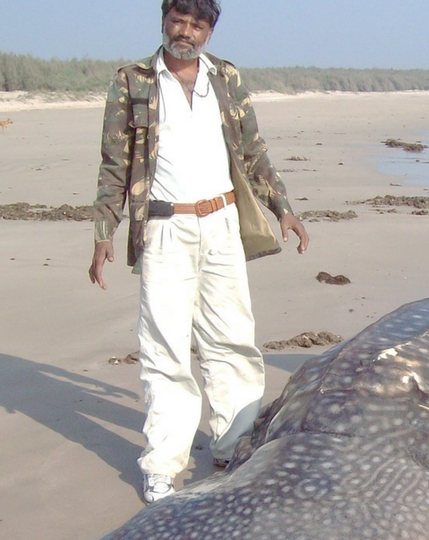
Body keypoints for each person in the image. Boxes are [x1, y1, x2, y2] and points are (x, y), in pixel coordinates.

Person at [88, 0, 310, 503]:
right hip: (165, 226)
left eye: (197, 24)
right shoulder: (133, 81)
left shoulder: (225, 78)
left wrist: (283, 208)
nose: (185, 31)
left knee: (233, 340)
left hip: (223, 222)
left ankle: (234, 448)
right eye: (178, 20)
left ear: (210, 31)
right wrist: (104, 232)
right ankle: (163, 465)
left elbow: (253, 151)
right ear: (164, 20)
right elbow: (113, 163)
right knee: (164, 347)